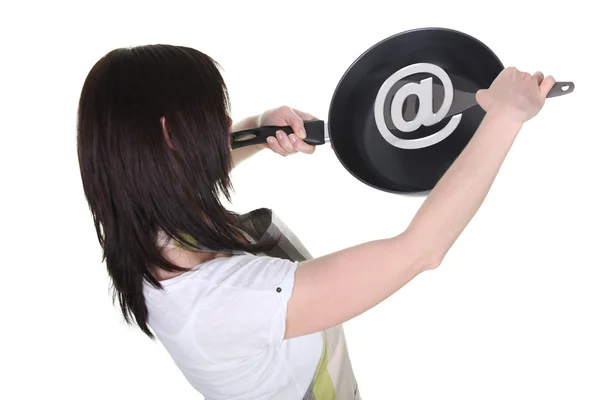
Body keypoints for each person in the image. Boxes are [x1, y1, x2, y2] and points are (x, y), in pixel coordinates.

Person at [76, 44, 556, 400]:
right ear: (171, 135)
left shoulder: (142, 222)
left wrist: (258, 129)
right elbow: (420, 250)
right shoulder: (228, 302)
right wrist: (507, 115)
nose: (222, 122)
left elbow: (192, 165)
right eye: (212, 116)